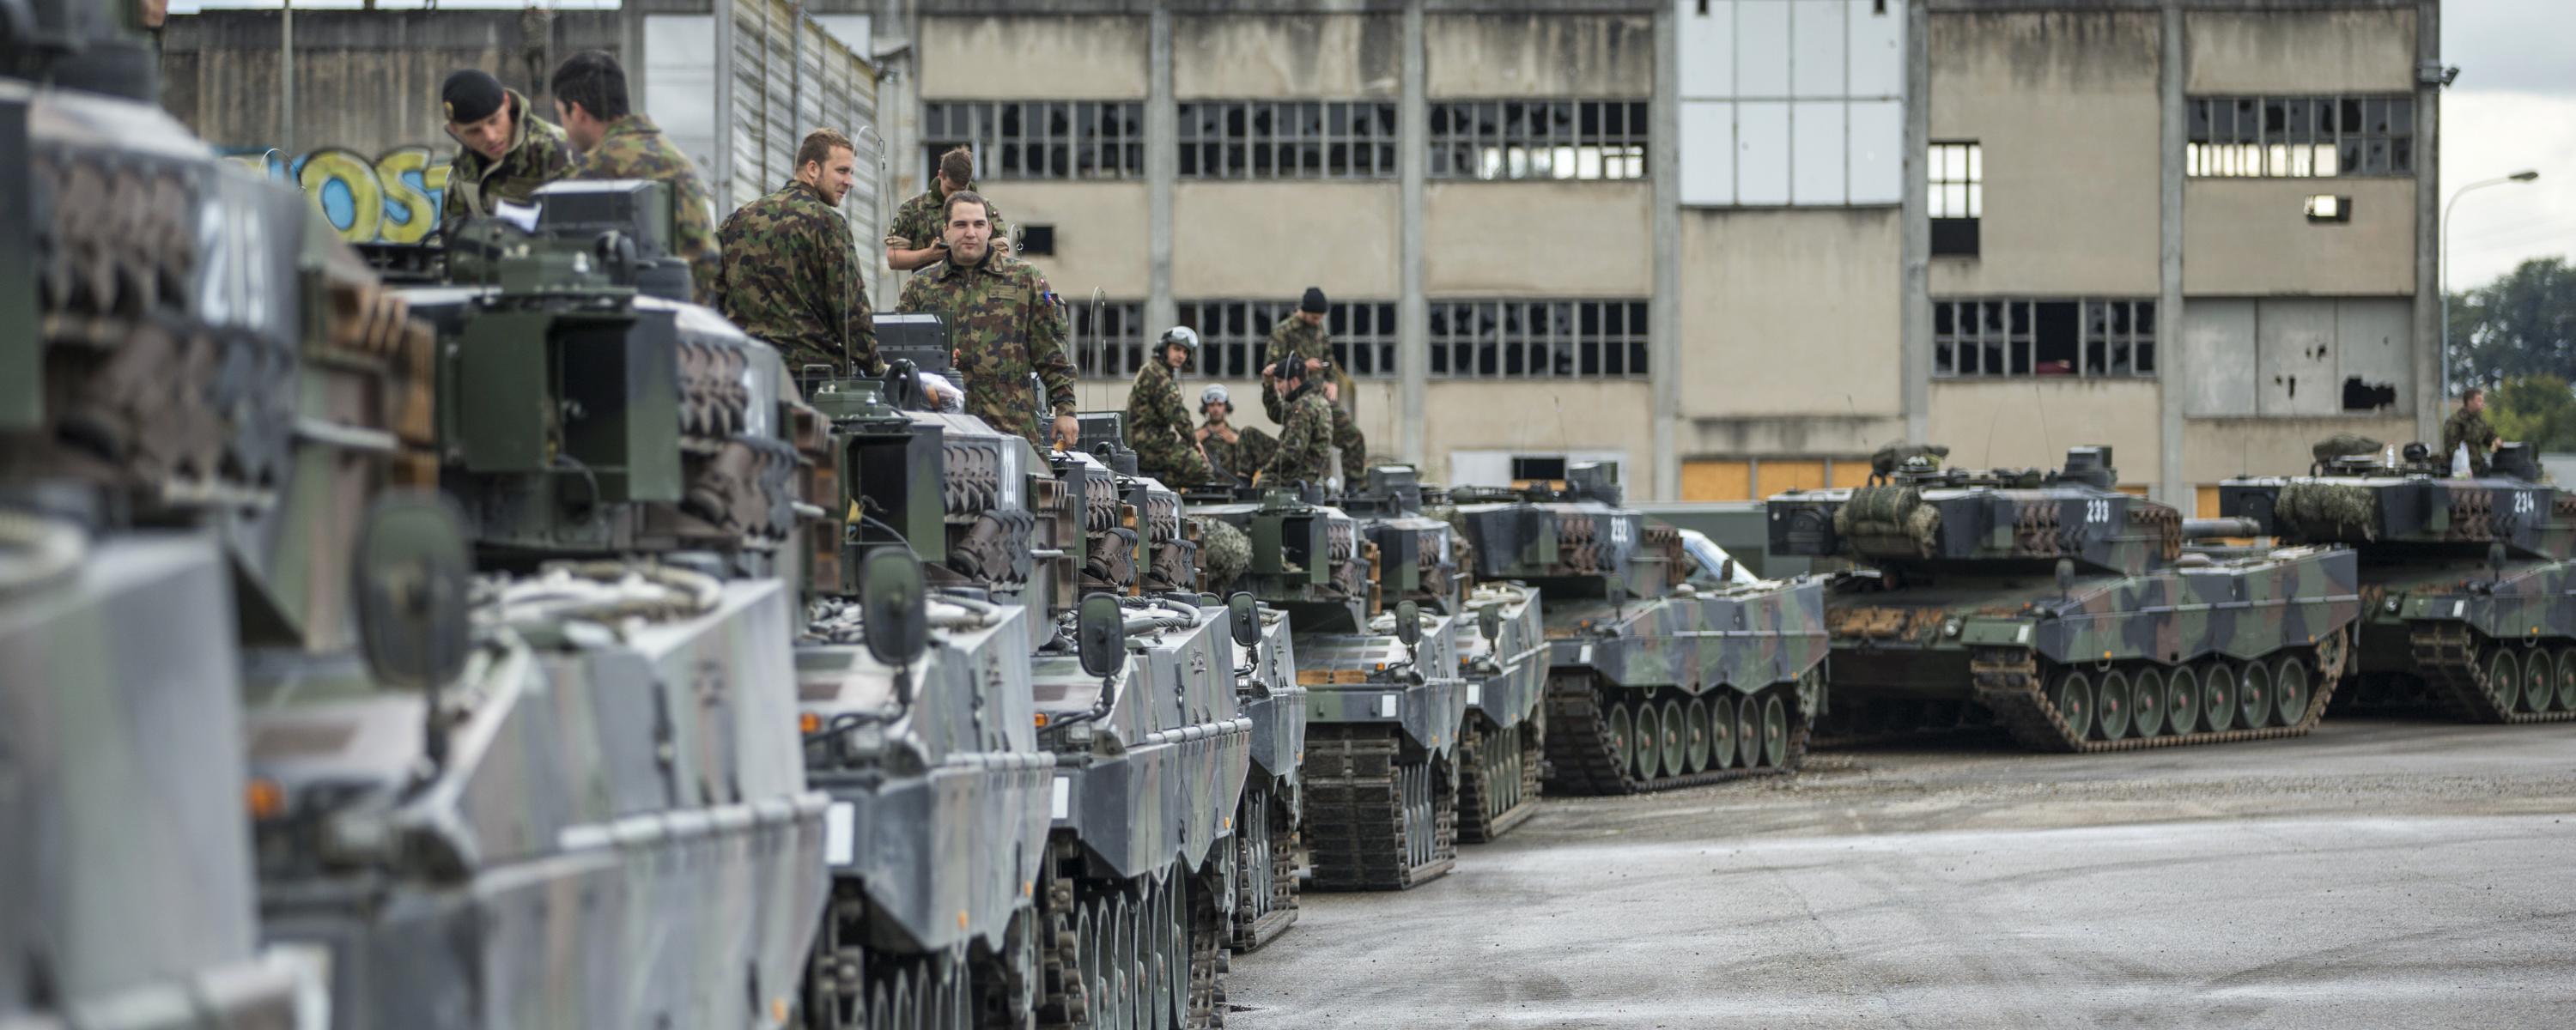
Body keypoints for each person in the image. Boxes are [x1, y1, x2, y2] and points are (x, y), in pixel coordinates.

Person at [896, 190, 1075, 451]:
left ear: (989, 229)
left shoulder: (1023, 279)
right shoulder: (921, 287)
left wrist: (1066, 409)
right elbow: (899, 356)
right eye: (961, 225)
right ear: (945, 231)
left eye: (978, 224)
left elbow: (1051, 350)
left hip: (1011, 425)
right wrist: (934, 362)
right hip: (943, 429)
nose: (971, 233)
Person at [550, 51, 720, 305]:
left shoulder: (599, 167)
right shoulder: (668, 152)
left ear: (577, 112)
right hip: (695, 316)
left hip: (648, 320)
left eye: (561, 115)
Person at [715, 128, 880, 379]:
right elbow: (850, 310)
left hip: (744, 372)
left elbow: (710, 294)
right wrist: (877, 368)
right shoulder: (828, 224)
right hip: (809, 377)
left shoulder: (738, 219)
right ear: (813, 169)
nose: (850, 182)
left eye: (852, 173)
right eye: (842, 171)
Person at [436, 69, 574, 239]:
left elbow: (574, 236)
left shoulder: (555, 150)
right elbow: (452, 228)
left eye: (494, 120)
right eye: (474, 131)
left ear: (507, 102)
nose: (490, 137)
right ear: (456, 130)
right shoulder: (464, 160)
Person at [1261, 286, 1366, 482]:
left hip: (1321, 399)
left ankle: (1355, 486)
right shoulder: (1284, 332)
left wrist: (1332, 380)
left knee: (1353, 437)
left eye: (1320, 318)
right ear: (1304, 311)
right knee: (1309, 450)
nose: (1318, 321)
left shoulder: (1319, 330)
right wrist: (1303, 365)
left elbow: (1328, 357)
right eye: (1314, 317)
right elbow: (1272, 367)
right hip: (1297, 400)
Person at [885, 146, 1011, 271]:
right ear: (941, 175)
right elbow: (893, 259)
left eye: (961, 190)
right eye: (951, 189)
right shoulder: (914, 209)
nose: (955, 196)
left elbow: (1003, 258)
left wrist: (973, 253)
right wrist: (928, 255)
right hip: (929, 287)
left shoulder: (985, 210)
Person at [1125, 327, 1214, 486]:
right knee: (1202, 468)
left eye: (1185, 352)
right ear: (1164, 348)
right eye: (1177, 349)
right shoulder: (1156, 374)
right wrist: (1195, 442)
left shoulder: (1157, 371)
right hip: (1149, 444)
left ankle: (1158, 484)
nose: (1181, 355)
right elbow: (1177, 413)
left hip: (1155, 441)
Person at [1257, 359, 1335, 489]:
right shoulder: (1314, 399)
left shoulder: (1303, 406)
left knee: (1265, 482)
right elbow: (1277, 412)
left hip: (1303, 476)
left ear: (1294, 381)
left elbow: (1292, 452)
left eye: (1280, 381)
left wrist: (1266, 470)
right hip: (1313, 473)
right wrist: (1268, 384)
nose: (1277, 387)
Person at [1196, 385, 1275, 485]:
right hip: (1202, 489)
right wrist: (1192, 442)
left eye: (1220, 405)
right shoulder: (1196, 436)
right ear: (1206, 408)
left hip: (1232, 490)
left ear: (1226, 407)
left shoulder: (1238, 436)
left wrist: (1239, 443)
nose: (1216, 409)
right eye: (1212, 405)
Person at [2443, 386, 2502, 476]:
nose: (2482, 403)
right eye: (2479, 400)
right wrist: (2463, 467)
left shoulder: (2480, 422)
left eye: (2482, 400)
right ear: (2469, 402)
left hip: (2478, 468)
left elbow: (2488, 437)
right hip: (2460, 470)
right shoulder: (2456, 421)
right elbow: (2452, 448)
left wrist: (2495, 440)